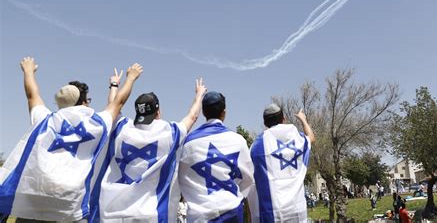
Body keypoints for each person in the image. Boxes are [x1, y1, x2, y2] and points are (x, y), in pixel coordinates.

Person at [0, 57, 143, 221]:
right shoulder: (95, 124)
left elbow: (32, 95)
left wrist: (28, 71)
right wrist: (129, 78)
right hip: (69, 199)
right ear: (82, 102)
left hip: (36, 195)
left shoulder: (45, 120)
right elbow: (118, 103)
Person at [90, 78, 207, 222]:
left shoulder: (121, 127)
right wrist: (199, 95)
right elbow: (192, 117)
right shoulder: (169, 132)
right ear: (157, 112)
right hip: (151, 214)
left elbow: (112, 106)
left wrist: (114, 85)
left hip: (113, 213)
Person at [178, 91, 254, 222]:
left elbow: (182, 179)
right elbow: (247, 178)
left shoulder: (188, 142)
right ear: (224, 112)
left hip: (199, 216)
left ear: (203, 112)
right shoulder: (237, 140)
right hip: (231, 212)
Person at [247, 104, 315, 222]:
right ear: (283, 119)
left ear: (265, 123)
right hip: (296, 210)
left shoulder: (257, 145)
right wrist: (303, 119)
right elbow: (311, 137)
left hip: (272, 211)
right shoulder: (297, 139)